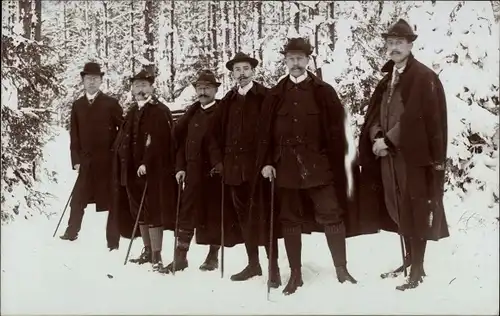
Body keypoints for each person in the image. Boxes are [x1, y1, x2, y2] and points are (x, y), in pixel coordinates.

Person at [255, 38, 361, 295]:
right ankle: (296, 275)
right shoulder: (275, 94)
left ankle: (342, 270)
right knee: (290, 219)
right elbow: (264, 134)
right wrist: (267, 162)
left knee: (331, 214)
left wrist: (336, 165)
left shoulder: (323, 91)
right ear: (285, 61)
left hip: (318, 166)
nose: (295, 63)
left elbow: (337, 133)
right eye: (291, 59)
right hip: (286, 168)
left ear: (308, 60)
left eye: (300, 58)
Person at [357, 19, 449, 291]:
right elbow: (375, 114)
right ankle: (409, 260)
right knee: (397, 206)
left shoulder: (423, 77)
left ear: (410, 44)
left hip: (413, 157)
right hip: (389, 157)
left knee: (416, 209)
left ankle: (418, 269)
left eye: (399, 42)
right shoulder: (388, 79)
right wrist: (375, 135)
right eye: (390, 43)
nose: (394, 47)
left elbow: (417, 117)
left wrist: (389, 140)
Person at [208, 52, 281, 288]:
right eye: (237, 69)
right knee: (243, 219)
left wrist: (269, 162)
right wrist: (219, 162)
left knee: (265, 218)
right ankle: (253, 264)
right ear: (232, 73)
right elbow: (213, 135)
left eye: (245, 69)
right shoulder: (227, 100)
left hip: (259, 170)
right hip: (233, 171)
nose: (241, 73)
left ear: (253, 71)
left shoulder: (266, 97)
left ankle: (274, 268)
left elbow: (274, 133)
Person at [163, 70, 242, 274]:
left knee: (214, 215)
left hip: (214, 174)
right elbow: (180, 144)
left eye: (207, 88)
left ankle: (213, 256)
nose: (203, 92)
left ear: (216, 89)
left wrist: (222, 165)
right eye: (199, 88)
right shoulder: (191, 114)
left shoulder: (222, 112)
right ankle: (180, 258)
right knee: (187, 213)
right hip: (192, 172)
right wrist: (180, 167)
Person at [111, 69, 178, 272]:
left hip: (153, 172)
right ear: (132, 88)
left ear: (152, 87)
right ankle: (147, 250)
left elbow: (162, 142)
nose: (140, 89)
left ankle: (157, 255)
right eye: (137, 85)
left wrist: (147, 163)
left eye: (144, 85)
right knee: (137, 209)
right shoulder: (132, 111)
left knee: (153, 210)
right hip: (131, 170)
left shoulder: (159, 111)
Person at [60, 62, 123, 251]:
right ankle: (71, 232)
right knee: (78, 198)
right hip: (86, 161)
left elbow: (124, 129)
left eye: (96, 79)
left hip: (107, 162)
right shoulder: (78, 105)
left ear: (101, 80)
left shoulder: (111, 104)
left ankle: (113, 242)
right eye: (88, 79)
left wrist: (115, 151)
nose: (92, 82)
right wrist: (76, 160)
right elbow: (75, 135)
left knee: (112, 201)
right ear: (83, 80)